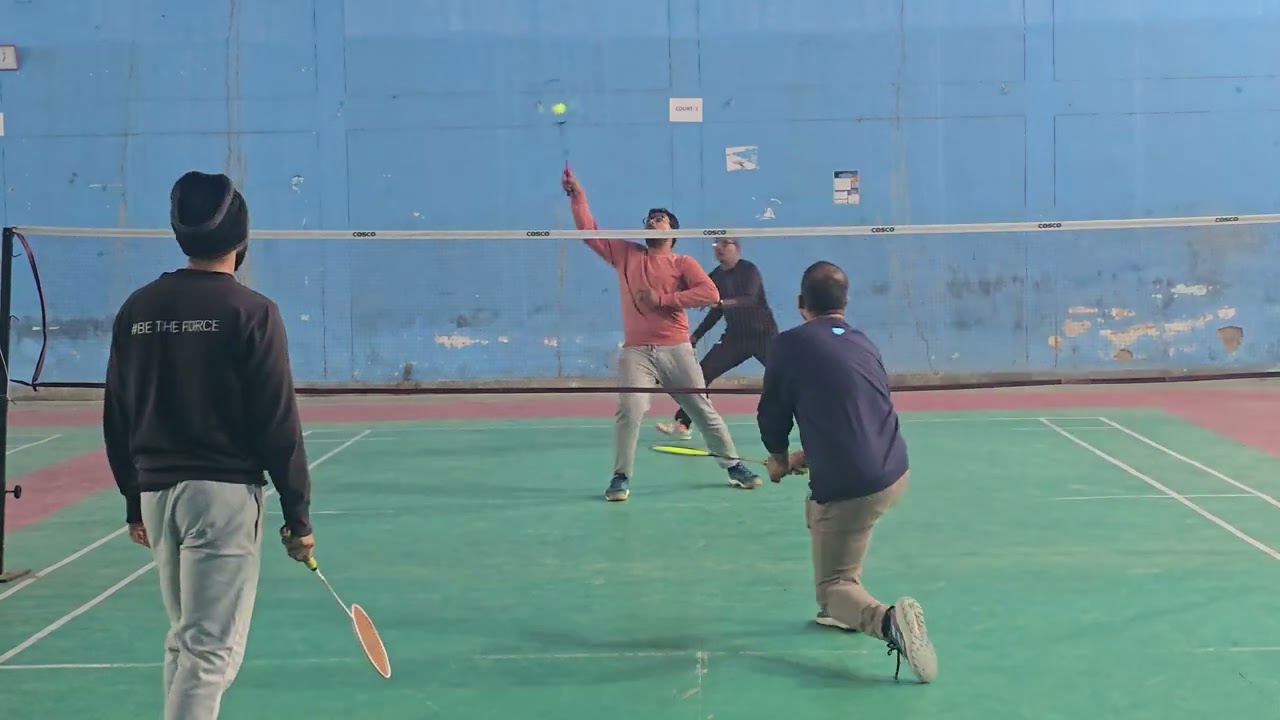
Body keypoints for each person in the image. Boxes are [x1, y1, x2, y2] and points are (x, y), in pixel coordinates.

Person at [103, 170, 317, 719]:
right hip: (220, 498)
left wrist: (134, 500)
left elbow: (118, 414)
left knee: (185, 641)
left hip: (158, 497)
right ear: (241, 239)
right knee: (209, 654)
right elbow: (278, 423)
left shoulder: (138, 307)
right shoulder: (253, 312)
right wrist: (299, 515)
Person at [755, 260, 937, 684]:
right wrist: (808, 457)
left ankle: (888, 622)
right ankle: (841, 601)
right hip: (894, 469)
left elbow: (771, 416)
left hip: (853, 486)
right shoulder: (862, 341)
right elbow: (852, 417)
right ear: (845, 303)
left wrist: (779, 459)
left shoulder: (787, 345)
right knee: (832, 517)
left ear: (801, 304)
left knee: (832, 587)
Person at [561, 167, 760, 501]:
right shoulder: (627, 255)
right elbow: (589, 231)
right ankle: (620, 477)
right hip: (637, 352)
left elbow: (710, 294)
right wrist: (577, 195)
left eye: (660, 218)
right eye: (649, 218)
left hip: (676, 350)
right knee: (630, 409)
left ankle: (734, 466)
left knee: (700, 408)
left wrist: (664, 300)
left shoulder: (682, 263)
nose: (652, 221)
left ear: (672, 231)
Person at [656, 237, 778, 440]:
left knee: (787, 376)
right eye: (716, 245)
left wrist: (720, 303)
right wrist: (695, 336)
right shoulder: (716, 277)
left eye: (725, 244)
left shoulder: (749, 270)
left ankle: (815, 416)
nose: (719, 248)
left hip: (763, 336)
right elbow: (714, 312)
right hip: (735, 338)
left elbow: (749, 299)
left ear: (736, 248)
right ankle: (683, 424)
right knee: (700, 376)